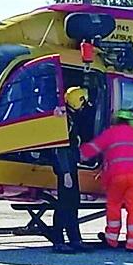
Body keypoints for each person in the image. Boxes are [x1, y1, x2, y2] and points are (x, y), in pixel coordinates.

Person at [80, 110, 133, 252]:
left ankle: (111, 239)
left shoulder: (111, 133)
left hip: (117, 175)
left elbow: (91, 149)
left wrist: (76, 153)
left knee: (114, 205)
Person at [51, 86, 89, 253]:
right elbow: (60, 148)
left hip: (70, 165)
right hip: (65, 167)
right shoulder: (65, 121)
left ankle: (75, 239)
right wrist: (65, 173)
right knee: (64, 204)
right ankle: (58, 241)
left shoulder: (70, 118)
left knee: (73, 202)